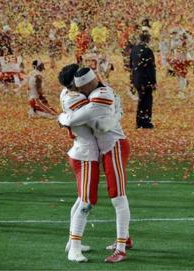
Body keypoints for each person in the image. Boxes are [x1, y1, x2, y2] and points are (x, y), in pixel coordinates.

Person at [58, 67, 132, 263]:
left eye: (82, 87)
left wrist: (61, 118)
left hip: (112, 146)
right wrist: (116, 114)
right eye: (77, 87)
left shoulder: (99, 94)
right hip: (93, 151)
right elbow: (100, 119)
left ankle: (122, 247)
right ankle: (120, 240)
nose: (80, 92)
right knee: (88, 199)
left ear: (91, 83)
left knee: (116, 196)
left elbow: (75, 118)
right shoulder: (82, 95)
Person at [56, 64, 98, 263]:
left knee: (81, 198)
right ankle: (74, 248)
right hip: (86, 153)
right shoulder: (79, 99)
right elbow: (96, 118)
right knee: (86, 201)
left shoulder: (66, 93)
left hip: (80, 150)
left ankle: (72, 242)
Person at [130, 28, 156, 128]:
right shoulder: (148, 50)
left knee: (141, 99)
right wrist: (153, 81)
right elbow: (151, 68)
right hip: (146, 79)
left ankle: (139, 121)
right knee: (147, 100)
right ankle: (145, 121)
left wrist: (132, 81)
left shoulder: (134, 49)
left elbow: (131, 66)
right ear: (148, 40)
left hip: (137, 78)